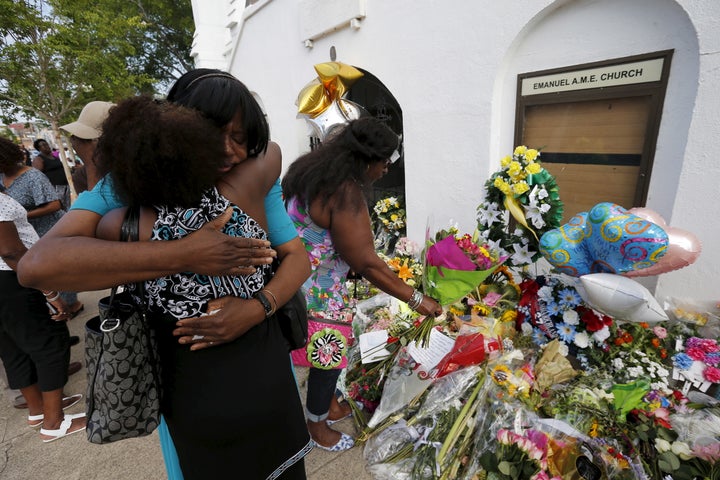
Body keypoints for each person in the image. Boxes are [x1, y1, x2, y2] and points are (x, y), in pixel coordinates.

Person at [18, 69, 312, 479]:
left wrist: (257, 306)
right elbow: (36, 266)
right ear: (174, 128)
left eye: (241, 137)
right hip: (186, 380)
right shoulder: (124, 192)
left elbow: (297, 256)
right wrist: (184, 253)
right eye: (213, 134)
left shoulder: (249, 179)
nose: (229, 153)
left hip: (259, 366)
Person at [281, 117, 444, 451]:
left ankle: (325, 404)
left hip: (294, 275)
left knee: (325, 354)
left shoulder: (313, 170)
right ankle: (317, 425)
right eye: (385, 162)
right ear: (366, 159)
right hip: (316, 290)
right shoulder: (343, 192)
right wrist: (416, 299)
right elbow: (367, 261)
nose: (386, 170)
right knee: (330, 354)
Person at [0, 188, 85, 442]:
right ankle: (54, 421)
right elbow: (10, 250)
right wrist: (49, 292)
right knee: (50, 341)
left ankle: (38, 410)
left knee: (11, 348)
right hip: (12, 279)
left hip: (5, 284)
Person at [0, 138, 83, 319]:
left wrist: (21, 216)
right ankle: (58, 310)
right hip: (26, 236)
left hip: (49, 231)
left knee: (57, 273)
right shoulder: (1, 178)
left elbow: (55, 205)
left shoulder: (32, 176)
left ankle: (71, 307)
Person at [60, 101, 116, 193]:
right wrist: (90, 164)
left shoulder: (134, 167)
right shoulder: (82, 176)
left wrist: (90, 164)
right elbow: (94, 206)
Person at [32, 139, 70, 211]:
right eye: (43, 145)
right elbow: (37, 176)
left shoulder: (54, 157)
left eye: (46, 144)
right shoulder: (39, 159)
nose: (46, 146)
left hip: (65, 185)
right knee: (59, 207)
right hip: (54, 187)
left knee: (66, 206)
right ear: (39, 149)